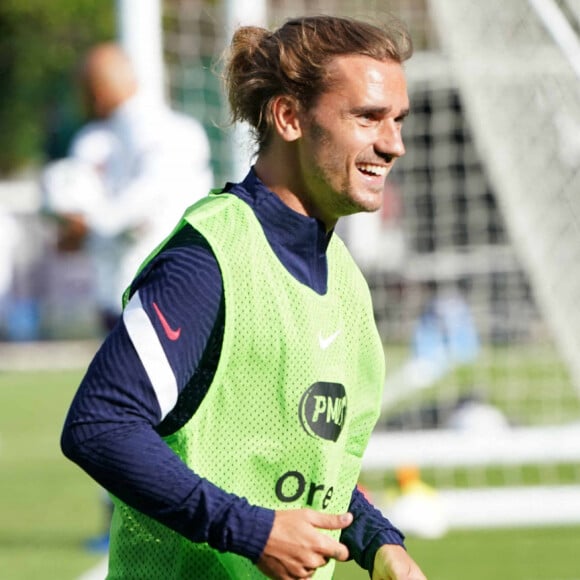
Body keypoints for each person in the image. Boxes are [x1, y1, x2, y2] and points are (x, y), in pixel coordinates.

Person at [61, 15, 427, 580]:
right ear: (288, 117)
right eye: (367, 117)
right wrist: (252, 531)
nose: (393, 143)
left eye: (397, 120)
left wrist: (379, 543)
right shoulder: (208, 259)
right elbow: (100, 423)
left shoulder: (347, 281)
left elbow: (307, 471)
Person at [41, 42, 214, 333]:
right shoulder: (102, 137)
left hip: (157, 294)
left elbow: (138, 205)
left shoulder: (165, 133)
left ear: (96, 89)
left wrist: (87, 225)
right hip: (138, 293)